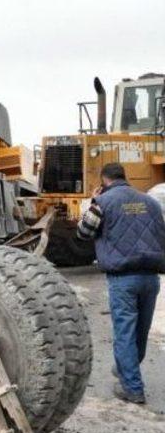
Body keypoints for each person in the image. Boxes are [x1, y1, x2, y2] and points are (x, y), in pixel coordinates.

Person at [77, 162, 165, 404]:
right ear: (123, 177)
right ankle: (126, 368)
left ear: (103, 180)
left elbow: (84, 232)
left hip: (123, 279)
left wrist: (90, 204)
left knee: (125, 333)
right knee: (140, 333)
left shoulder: (103, 203)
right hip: (150, 277)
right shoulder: (151, 203)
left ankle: (133, 389)